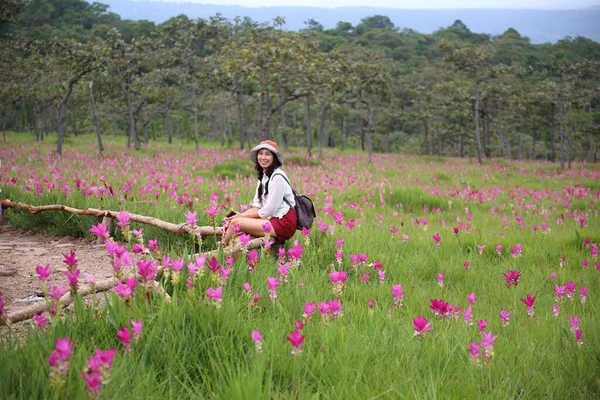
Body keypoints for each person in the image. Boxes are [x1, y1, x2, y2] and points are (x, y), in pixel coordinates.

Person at [220, 140, 297, 247]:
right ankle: (232, 260)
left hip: (284, 222)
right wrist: (237, 217)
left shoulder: (277, 177)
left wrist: (239, 218)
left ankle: (219, 250)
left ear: (274, 158)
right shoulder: (263, 178)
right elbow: (257, 207)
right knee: (238, 240)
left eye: (268, 154)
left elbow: (269, 210)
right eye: (260, 153)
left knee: (235, 223)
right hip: (270, 220)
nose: (263, 157)